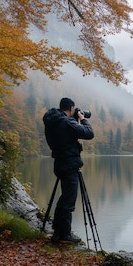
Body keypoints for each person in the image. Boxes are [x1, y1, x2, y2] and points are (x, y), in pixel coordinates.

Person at [43, 97, 94, 243]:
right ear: (71, 109)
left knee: (64, 198)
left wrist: (75, 120)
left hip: (59, 162)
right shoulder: (67, 122)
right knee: (69, 201)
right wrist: (83, 119)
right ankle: (64, 235)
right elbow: (89, 133)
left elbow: (68, 135)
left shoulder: (53, 121)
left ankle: (58, 232)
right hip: (70, 164)